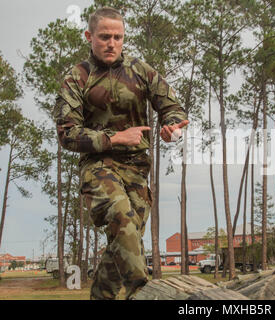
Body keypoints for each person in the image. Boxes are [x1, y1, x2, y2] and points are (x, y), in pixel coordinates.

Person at [53, 6, 189, 300]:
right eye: (104, 36)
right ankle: (144, 293)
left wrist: (172, 128)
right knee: (122, 221)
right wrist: (114, 139)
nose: (111, 43)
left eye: (118, 37)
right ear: (90, 36)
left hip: (138, 169)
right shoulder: (77, 78)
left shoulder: (141, 71)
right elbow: (67, 132)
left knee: (125, 242)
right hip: (98, 167)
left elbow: (172, 108)